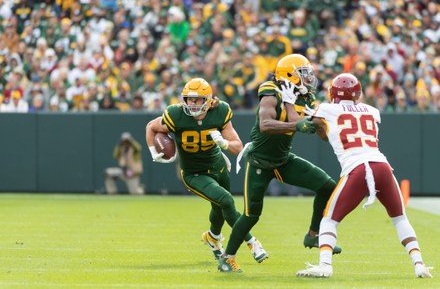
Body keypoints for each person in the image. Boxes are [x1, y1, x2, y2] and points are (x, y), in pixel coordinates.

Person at [296, 73, 432, 278]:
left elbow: (317, 127)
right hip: (382, 165)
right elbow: (331, 130)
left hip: (357, 168)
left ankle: (325, 265)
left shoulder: (326, 109)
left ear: (334, 92)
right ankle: (419, 263)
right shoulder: (373, 111)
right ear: (357, 93)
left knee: (329, 219)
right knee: (400, 218)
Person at [218, 54, 342, 273]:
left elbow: (318, 133)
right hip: (260, 162)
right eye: (303, 74)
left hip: (283, 160)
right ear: (288, 74)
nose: (308, 78)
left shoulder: (304, 98)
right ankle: (227, 257)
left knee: (328, 186)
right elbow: (265, 124)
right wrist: (299, 125)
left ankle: (313, 235)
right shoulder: (270, 91)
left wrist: (320, 121)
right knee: (251, 215)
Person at [145, 78, 268, 263]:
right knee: (226, 200)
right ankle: (252, 242)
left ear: (208, 100)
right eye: (189, 99)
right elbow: (151, 127)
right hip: (194, 173)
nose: (192, 104)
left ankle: (213, 237)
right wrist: (154, 151)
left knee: (219, 208)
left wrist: (224, 143)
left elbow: (238, 147)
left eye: (197, 100)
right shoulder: (176, 114)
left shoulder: (219, 112)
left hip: (218, 166)